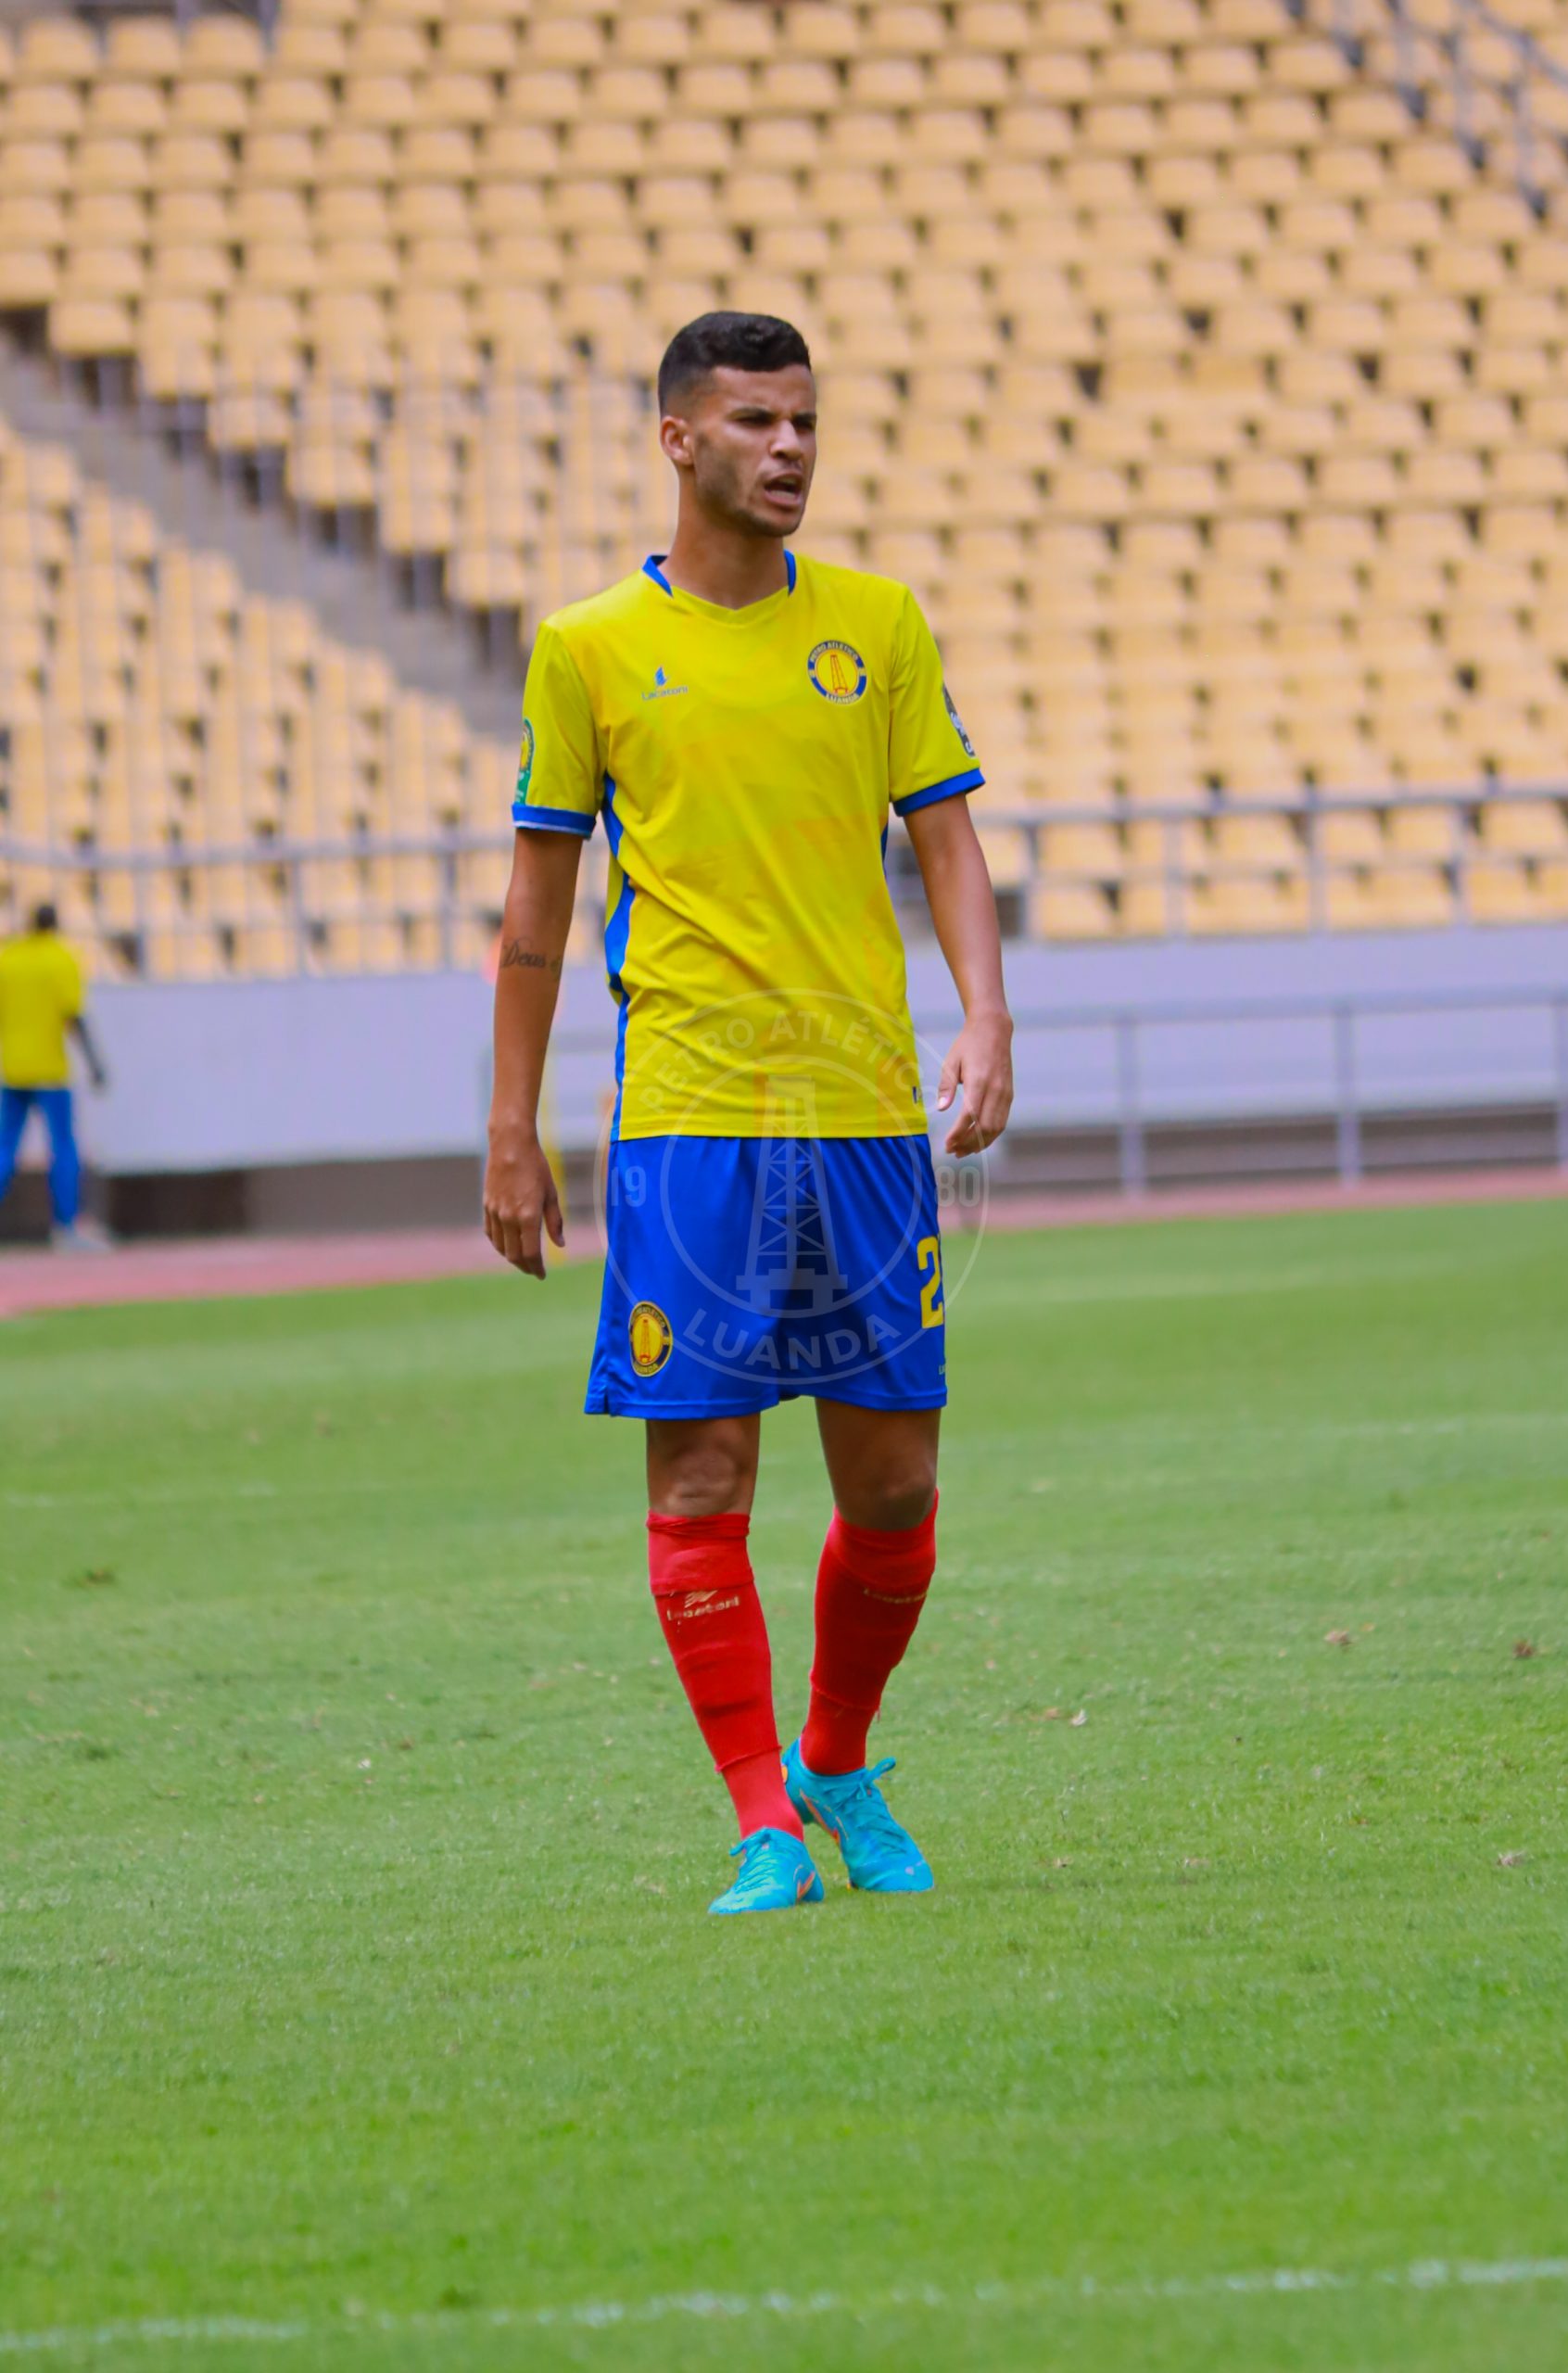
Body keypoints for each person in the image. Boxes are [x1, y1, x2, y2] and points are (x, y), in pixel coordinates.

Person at [485, 313, 1014, 1916]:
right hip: (686, 1117)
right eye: (754, 423)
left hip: (859, 1112)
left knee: (894, 1489)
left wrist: (986, 1015)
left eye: (803, 422)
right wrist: (509, 1123)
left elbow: (945, 837)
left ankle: (835, 1757)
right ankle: (759, 1821)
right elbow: (535, 907)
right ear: (677, 440)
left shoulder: (876, 624)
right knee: (701, 1480)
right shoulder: (587, 647)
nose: (788, 449)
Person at [0, 902, 109, 1250]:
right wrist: (94, 1063)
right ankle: (66, 1227)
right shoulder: (61, 958)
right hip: (50, 1070)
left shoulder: (9, 959)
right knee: (63, 1146)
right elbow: (73, 1014)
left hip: (13, 1069)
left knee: (4, 1148)